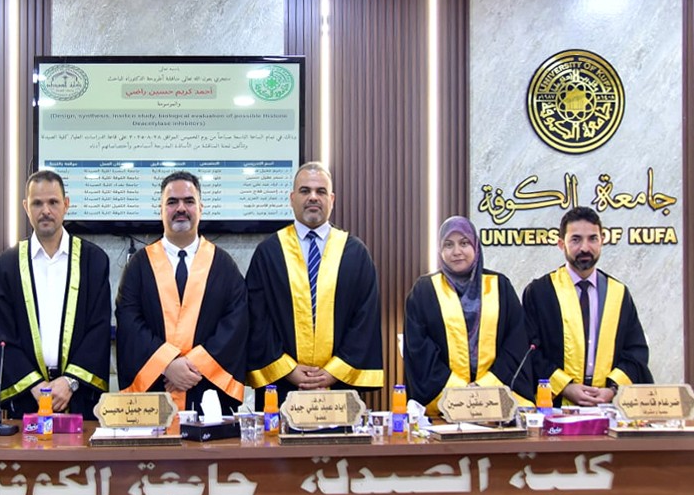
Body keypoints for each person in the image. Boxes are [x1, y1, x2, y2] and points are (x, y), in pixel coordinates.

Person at [246, 162, 383, 402]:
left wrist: (334, 371)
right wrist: (287, 369)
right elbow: (256, 317)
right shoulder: (269, 252)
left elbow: (365, 318)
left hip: (339, 387)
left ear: (332, 199)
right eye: (305, 191)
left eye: (320, 191)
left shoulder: (355, 253)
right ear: (292, 199)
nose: (313, 197)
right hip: (282, 387)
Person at [116, 170, 248, 413]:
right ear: (160, 209)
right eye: (172, 202)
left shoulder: (223, 265)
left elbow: (235, 323)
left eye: (189, 201)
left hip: (206, 388)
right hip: (154, 390)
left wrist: (193, 365)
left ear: (201, 208)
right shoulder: (139, 265)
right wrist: (167, 364)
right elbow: (129, 321)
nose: (180, 208)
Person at [0, 170, 111, 419]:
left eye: (53, 202)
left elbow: (98, 329)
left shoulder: (93, 260)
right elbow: (1, 333)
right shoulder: (8, 264)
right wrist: (35, 386)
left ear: (66, 204)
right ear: (26, 207)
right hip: (27, 397)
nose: (45, 210)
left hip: (78, 395)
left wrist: (70, 382)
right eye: (37, 203)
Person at [523, 206, 652, 406]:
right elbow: (529, 350)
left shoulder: (618, 293)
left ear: (602, 240)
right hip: (555, 406)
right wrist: (565, 387)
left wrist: (612, 389)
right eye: (576, 239)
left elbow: (635, 351)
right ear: (561, 244)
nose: (585, 248)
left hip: (607, 406)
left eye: (592, 238)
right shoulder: (540, 292)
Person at [403, 216, 533, 414]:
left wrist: (483, 387)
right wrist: (459, 391)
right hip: (443, 402)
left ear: (476, 246)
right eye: (448, 245)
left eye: (464, 243)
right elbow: (419, 349)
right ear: (440, 250)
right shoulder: (423, 291)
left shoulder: (500, 286)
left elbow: (516, 343)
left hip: (496, 399)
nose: (457, 251)